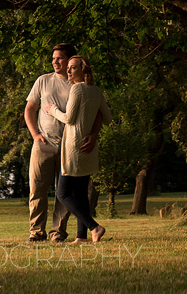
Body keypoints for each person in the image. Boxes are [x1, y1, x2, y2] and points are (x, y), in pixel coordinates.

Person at [45, 55, 112, 244]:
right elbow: (106, 117)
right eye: (69, 67)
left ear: (84, 71)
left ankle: (94, 227)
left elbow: (69, 119)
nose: (68, 70)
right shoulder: (96, 91)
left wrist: (52, 111)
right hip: (88, 147)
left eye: (73, 68)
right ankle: (81, 237)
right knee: (81, 193)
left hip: (74, 147)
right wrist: (93, 134)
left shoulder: (77, 89)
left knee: (63, 194)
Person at [23, 44, 74, 242]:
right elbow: (29, 109)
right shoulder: (43, 81)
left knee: (64, 192)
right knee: (37, 189)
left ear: (70, 60)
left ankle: (58, 233)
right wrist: (35, 135)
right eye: (53, 58)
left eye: (60, 58)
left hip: (68, 147)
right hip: (43, 143)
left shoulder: (77, 85)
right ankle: (36, 233)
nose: (55, 61)